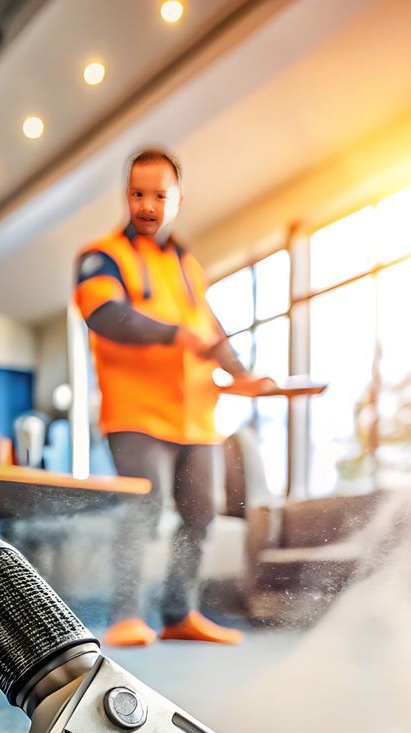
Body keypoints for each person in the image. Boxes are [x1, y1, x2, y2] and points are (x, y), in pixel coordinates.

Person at [71, 148, 274, 648]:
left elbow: (209, 330)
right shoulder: (102, 256)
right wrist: (172, 336)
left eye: (159, 195)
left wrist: (240, 374)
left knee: (202, 512)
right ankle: (125, 616)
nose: (147, 205)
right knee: (145, 506)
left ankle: (180, 614)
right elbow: (106, 316)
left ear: (178, 199)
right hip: (137, 414)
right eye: (138, 193)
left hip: (197, 417)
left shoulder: (188, 267)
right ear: (127, 196)